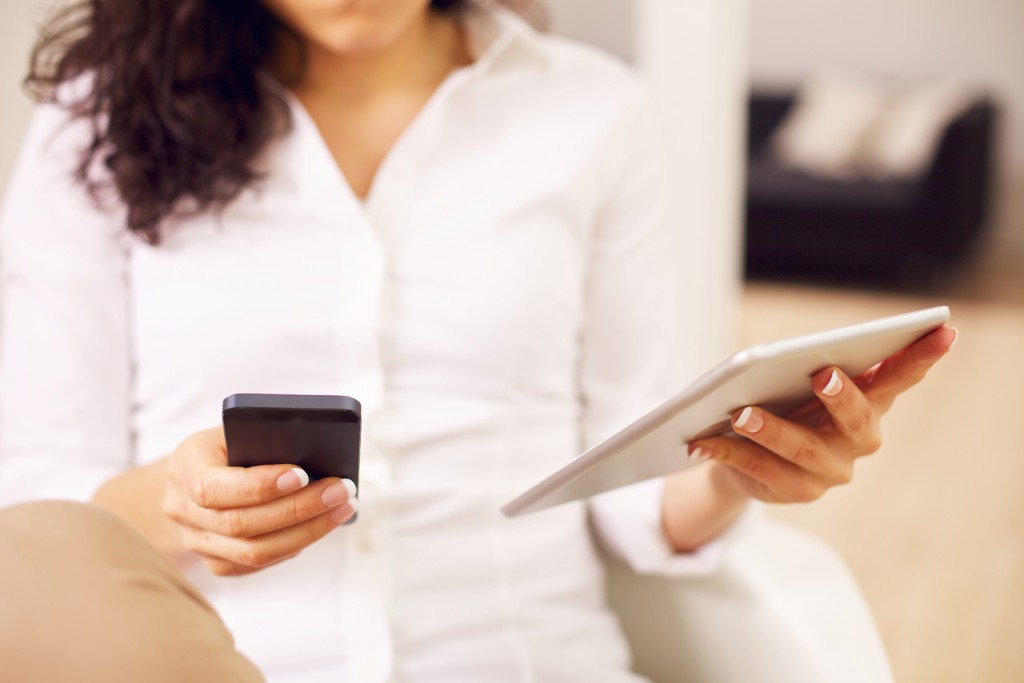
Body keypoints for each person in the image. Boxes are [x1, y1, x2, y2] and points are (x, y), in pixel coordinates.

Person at [0, 0, 956, 681]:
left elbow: (634, 491)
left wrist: (735, 466)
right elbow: (37, 507)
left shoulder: (592, 112)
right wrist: (181, 505)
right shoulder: (92, 124)